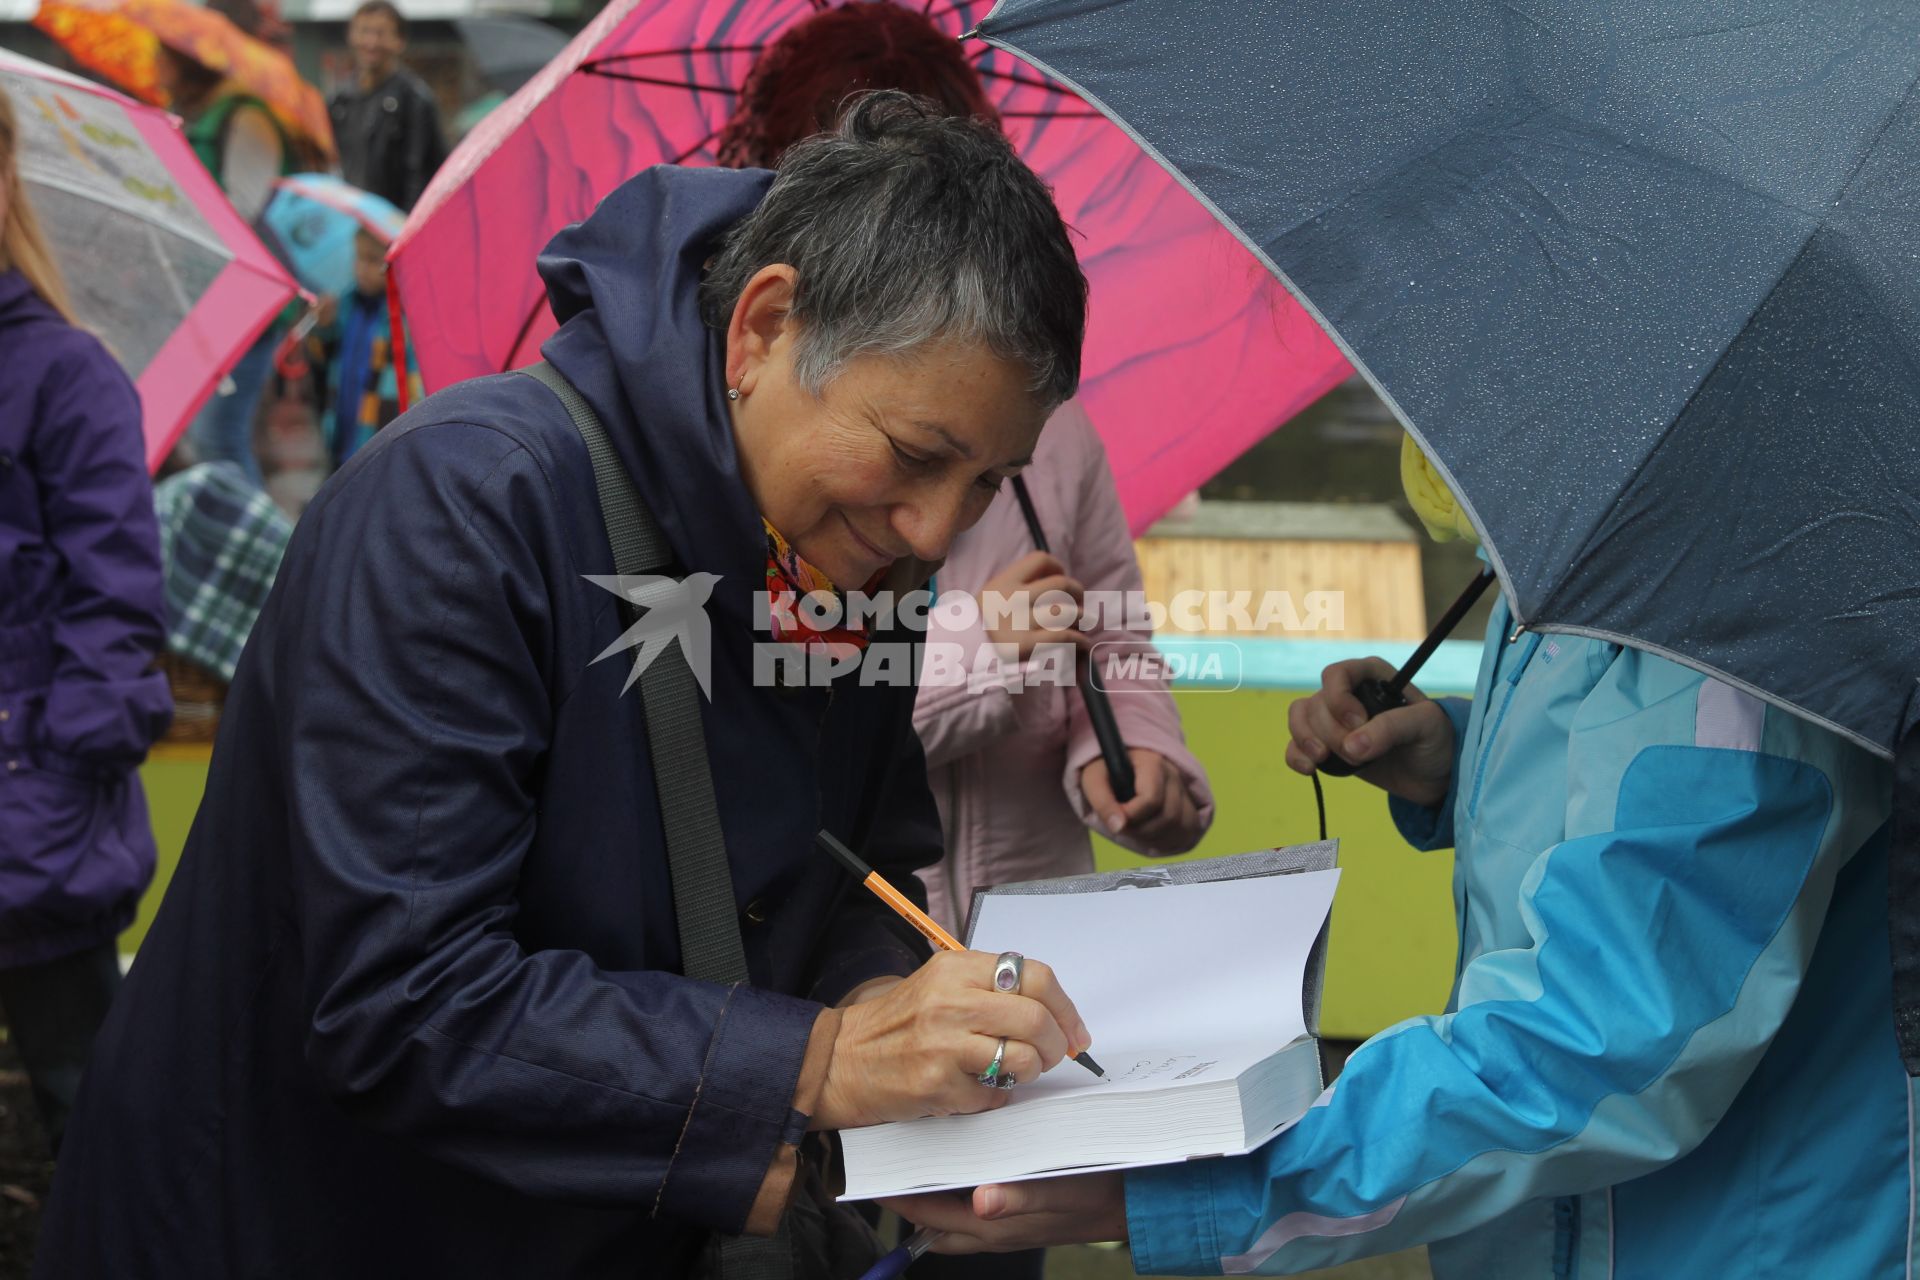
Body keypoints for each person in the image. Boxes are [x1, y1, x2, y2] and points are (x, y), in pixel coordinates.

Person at [36, 94, 1098, 1278]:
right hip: (302, 1223)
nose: (934, 527)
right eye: (913, 455)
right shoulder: (466, 503)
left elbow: (855, 865)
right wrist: (818, 1062)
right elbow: (408, 998)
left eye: (990, 482)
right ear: (762, 328)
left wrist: (912, 1013)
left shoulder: (860, 559)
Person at [888, 437, 1903, 1276]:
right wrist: (1457, 757)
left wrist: (1211, 1179)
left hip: (1726, 1242)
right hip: (1545, 1228)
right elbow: (1641, 796)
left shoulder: (1748, 593)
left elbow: (1601, 1035)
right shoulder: (1616, 535)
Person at [716, 1, 1215, 955]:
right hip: (855, 959)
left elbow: (1109, 621)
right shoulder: (756, 443)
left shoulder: (1052, 431)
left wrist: (1136, 753)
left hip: (1044, 930)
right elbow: (772, 710)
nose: (937, 528)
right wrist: (982, 642)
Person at [0, 86, 172, 1152]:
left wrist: (50, 781)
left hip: (34, 826)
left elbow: (116, 610)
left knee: (87, 1104)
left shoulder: (69, 377)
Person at [157, 43, 293, 486]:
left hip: (242, 295)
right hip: (201, 290)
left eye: (165, 57)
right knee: (206, 435)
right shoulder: (190, 115)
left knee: (221, 435)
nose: (156, 66)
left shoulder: (244, 118)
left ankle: (256, 549)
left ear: (190, 63)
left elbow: (245, 213)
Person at [328, 0, 447, 210]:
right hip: (350, 219)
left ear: (399, 41)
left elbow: (420, 174)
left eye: (381, 33)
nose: (371, 42)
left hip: (394, 223)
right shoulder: (340, 102)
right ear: (351, 35)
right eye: (364, 31)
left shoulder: (414, 100)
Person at [316, 227, 419, 469]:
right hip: (343, 421)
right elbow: (324, 358)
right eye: (358, 258)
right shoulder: (347, 303)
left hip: (378, 433)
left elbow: (412, 383)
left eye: (373, 261)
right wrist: (324, 327)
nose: (361, 269)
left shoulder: (402, 317)